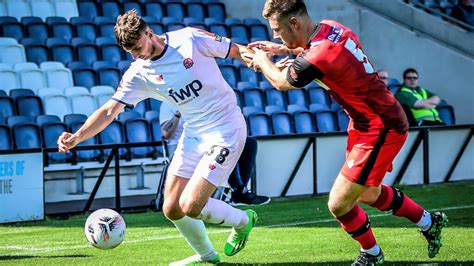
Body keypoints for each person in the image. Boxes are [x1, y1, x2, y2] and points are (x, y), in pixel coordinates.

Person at [245, 1, 448, 265]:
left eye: (277, 30)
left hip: (380, 126)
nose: (274, 35)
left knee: (339, 203)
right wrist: (281, 48)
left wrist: (262, 61)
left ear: (294, 23)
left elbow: (282, 83)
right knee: (365, 193)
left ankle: (372, 254)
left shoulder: (318, 55)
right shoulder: (331, 26)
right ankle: (428, 221)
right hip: (368, 122)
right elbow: (314, 50)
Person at [57, 10, 258, 265]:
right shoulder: (138, 72)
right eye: (130, 52)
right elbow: (109, 110)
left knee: (191, 206)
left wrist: (262, 63)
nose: (136, 55)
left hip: (226, 128)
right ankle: (207, 256)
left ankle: (243, 220)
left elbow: (235, 50)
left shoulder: (190, 39)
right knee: (171, 207)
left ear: (149, 33)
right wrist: (77, 136)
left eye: (138, 47)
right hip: (194, 132)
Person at [160, 102, 271, 206]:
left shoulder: (196, 101)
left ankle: (240, 191)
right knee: (223, 145)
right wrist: (178, 114)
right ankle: (238, 191)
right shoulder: (167, 104)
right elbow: (166, 134)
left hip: (202, 141)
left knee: (249, 143)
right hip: (181, 147)